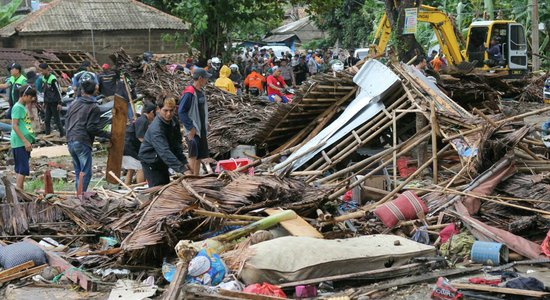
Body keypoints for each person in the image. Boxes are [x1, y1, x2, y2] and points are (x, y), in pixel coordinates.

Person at [65, 78, 111, 192]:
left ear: (82, 91)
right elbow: (91, 128)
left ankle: (78, 196)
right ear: (95, 91)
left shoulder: (74, 104)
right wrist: (109, 134)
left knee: (78, 172)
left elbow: (67, 120)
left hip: (70, 139)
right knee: (86, 172)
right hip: (81, 140)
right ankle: (81, 197)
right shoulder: (93, 107)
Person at [139, 98, 187, 186]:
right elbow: (164, 151)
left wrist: (184, 162)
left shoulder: (174, 121)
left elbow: (177, 144)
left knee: (165, 185)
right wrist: (182, 169)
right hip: (151, 160)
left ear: (174, 109)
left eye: (171, 110)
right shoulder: (156, 128)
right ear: (159, 109)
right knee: (157, 188)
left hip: (162, 160)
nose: (168, 114)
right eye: (165, 110)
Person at [179, 68, 211, 176]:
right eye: (206, 78)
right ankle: (191, 179)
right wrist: (190, 127)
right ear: (200, 78)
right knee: (193, 155)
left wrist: (206, 123)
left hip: (201, 129)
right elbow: (181, 111)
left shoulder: (201, 92)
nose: (207, 80)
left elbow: (202, 110)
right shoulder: (189, 93)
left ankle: (196, 177)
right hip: (194, 130)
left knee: (199, 155)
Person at [122, 102, 156, 185]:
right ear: (151, 112)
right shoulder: (143, 120)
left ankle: (127, 187)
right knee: (141, 167)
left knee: (131, 169)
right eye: (154, 113)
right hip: (130, 148)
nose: (155, 116)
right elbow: (140, 137)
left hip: (125, 147)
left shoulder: (141, 119)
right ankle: (139, 188)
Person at [10, 85, 36, 189]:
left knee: (21, 169)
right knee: (23, 168)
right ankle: (19, 193)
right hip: (20, 142)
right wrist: (25, 141)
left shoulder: (22, 107)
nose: (32, 99)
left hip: (23, 142)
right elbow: (15, 125)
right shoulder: (17, 107)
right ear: (24, 95)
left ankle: (20, 192)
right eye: (30, 97)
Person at [38, 63, 64, 137]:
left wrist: (60, 103)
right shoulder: (43, 78)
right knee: (47, 120)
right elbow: (44, 91)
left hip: (54, 102)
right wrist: (44, 101)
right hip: (48, 102)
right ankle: (47, 134)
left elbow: (58, 91)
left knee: (57, 120)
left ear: (46, 69)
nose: (41, 72)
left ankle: (62, 134)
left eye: (42, 70)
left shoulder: (53, 78)